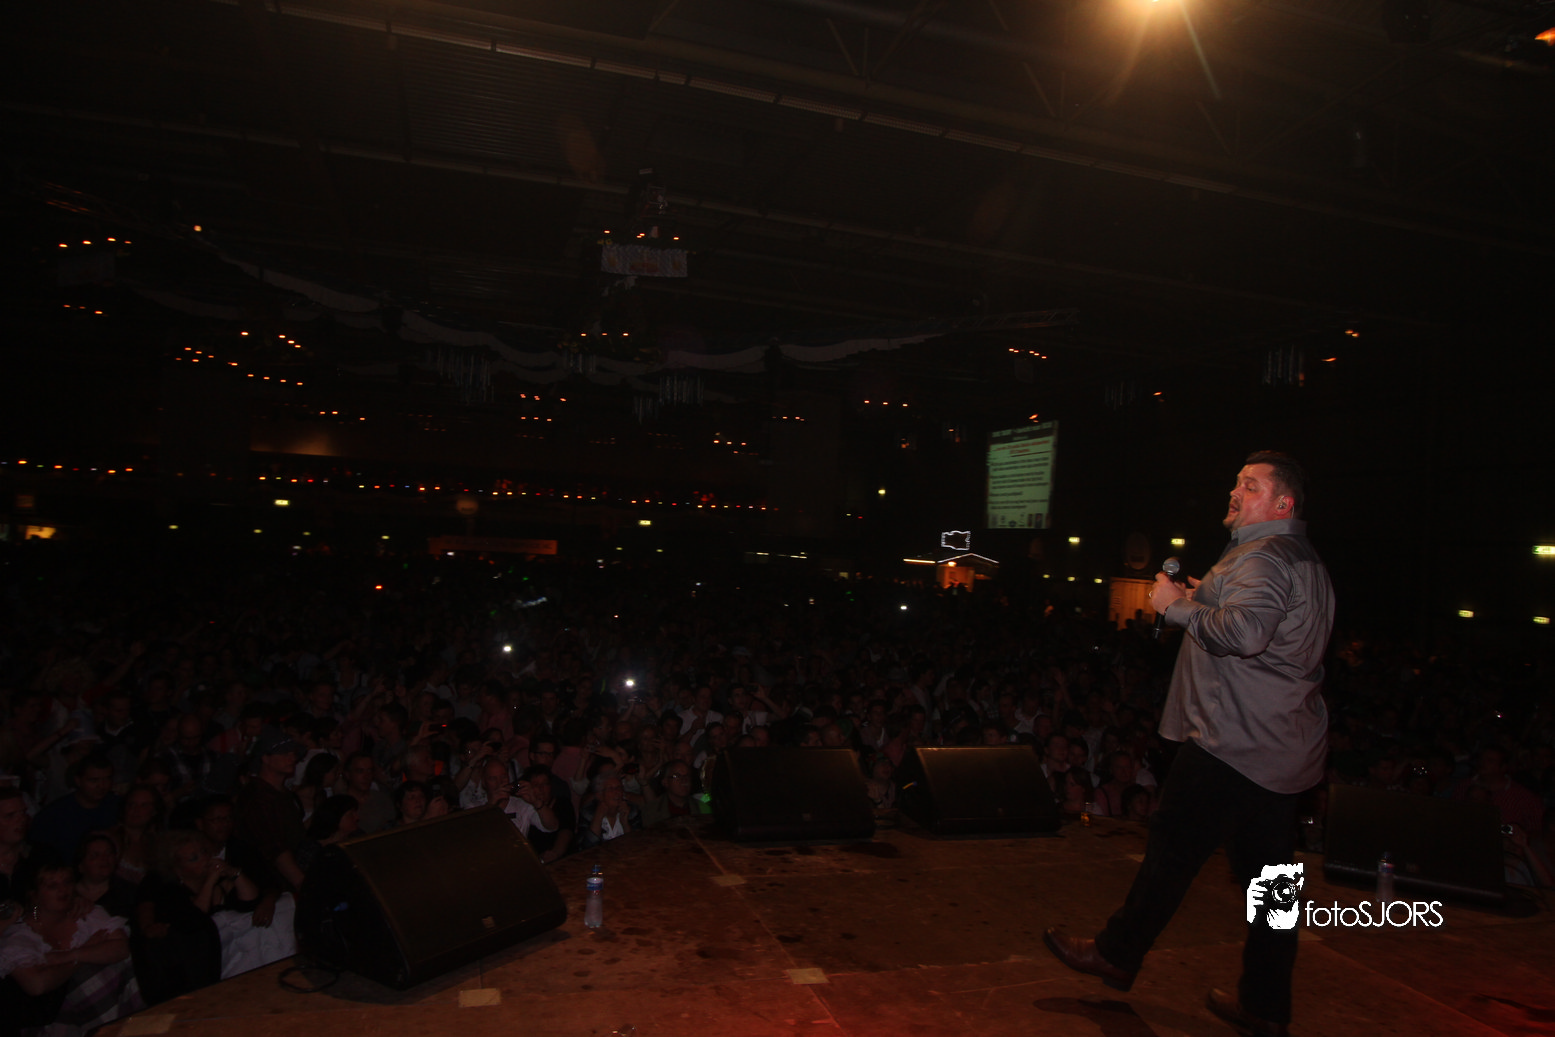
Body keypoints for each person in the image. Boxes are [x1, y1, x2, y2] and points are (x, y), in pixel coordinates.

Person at [1044, 451, 1334, 1037]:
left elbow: (1246, 635)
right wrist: (1210, 597)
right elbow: (1268, 627)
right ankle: (1266, 1006)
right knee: (1273, 891)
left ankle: (1116, 953)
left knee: (1170, 855)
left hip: (1233, 743)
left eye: (1250, 485)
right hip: (1280, 752)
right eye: (1236, 482)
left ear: (1282, 503)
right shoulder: (1303, 559)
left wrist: (1176, 607)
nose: (1235, 491)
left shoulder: (1264, 555)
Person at [0, 861, 143, 1035]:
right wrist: (83, 955)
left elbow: (121, 949)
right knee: (86, 976)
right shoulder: (20, 935)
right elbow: (36, 985)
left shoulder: (86, 914)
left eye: (67, 882)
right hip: (51, 1019)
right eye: (53, 886)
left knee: (109, 967)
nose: (63, 890)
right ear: (35, 895)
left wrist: (68, 956)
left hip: (104, 1008)